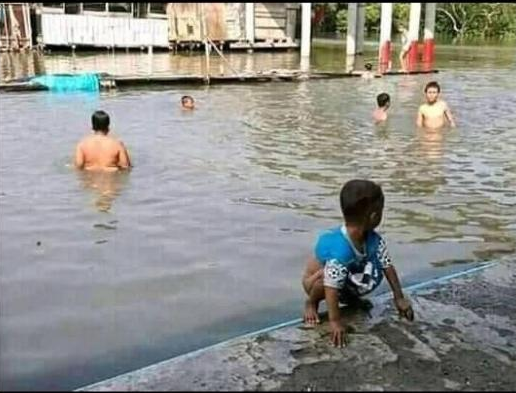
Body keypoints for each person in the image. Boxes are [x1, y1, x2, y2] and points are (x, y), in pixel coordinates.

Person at [302, 179, 414, 347]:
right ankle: (311, 303)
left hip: (345, 277)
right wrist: (335, 321)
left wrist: (399, 298)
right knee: (325, 280)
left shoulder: (374, 240)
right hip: (317, 281)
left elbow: (387, 265)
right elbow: (331, 286)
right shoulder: (340, 250)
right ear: (374, 216)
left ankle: (350, 297)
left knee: (355, 275)